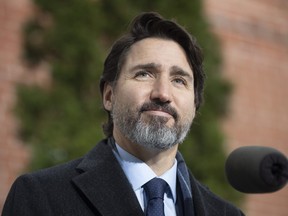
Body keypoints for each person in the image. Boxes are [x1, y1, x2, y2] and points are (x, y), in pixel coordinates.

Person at [2, 12, 244, 216]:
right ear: (109, 96)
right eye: (144, 74)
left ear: (194, 104)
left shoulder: (226, 213)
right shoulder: (41, 196)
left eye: (179, 80)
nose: (162, 93)